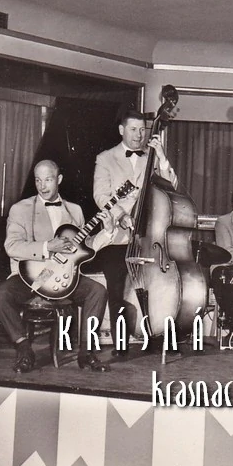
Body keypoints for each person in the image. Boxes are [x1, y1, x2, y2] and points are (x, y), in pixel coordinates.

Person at [0, 160, 116, 373]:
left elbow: (85, 247)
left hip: (64, 277)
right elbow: (11, 246)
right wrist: (47, 246)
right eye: (38, 180)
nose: (42, 186)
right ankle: (24, 349)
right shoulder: (20, 209)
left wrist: (108, 231)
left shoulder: (75, 210)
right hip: (33, 278)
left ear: (59, 179)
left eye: (48, 180)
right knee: (0, 296)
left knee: (97, 291)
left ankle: (86, 353)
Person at [93, 110, 178, 353]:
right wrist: (121, 215)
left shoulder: (150, 158)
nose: (139, 135)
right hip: (117, 237)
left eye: (142, 130)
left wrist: (161, 157)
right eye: (133, 129)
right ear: (121, 130)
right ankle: (121, 343)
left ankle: (156, 335)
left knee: (157, 285)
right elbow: (101, 195)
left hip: (149, 236)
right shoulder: (105, 158)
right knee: (118, 287)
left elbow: (172, 187)